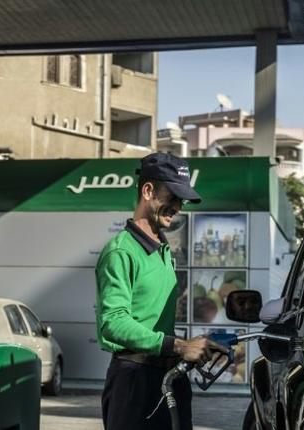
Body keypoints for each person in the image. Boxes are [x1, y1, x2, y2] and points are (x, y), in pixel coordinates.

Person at [95, 152, 225, 430]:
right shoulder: (121, 251)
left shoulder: (163, 250)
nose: (178, 206)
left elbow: (154, 321)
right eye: (173, 196)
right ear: (148, 190)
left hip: (167, 376)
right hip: (134, 382)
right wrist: (179, 346)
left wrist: (191, 345)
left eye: (182, 200)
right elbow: (113, 323)